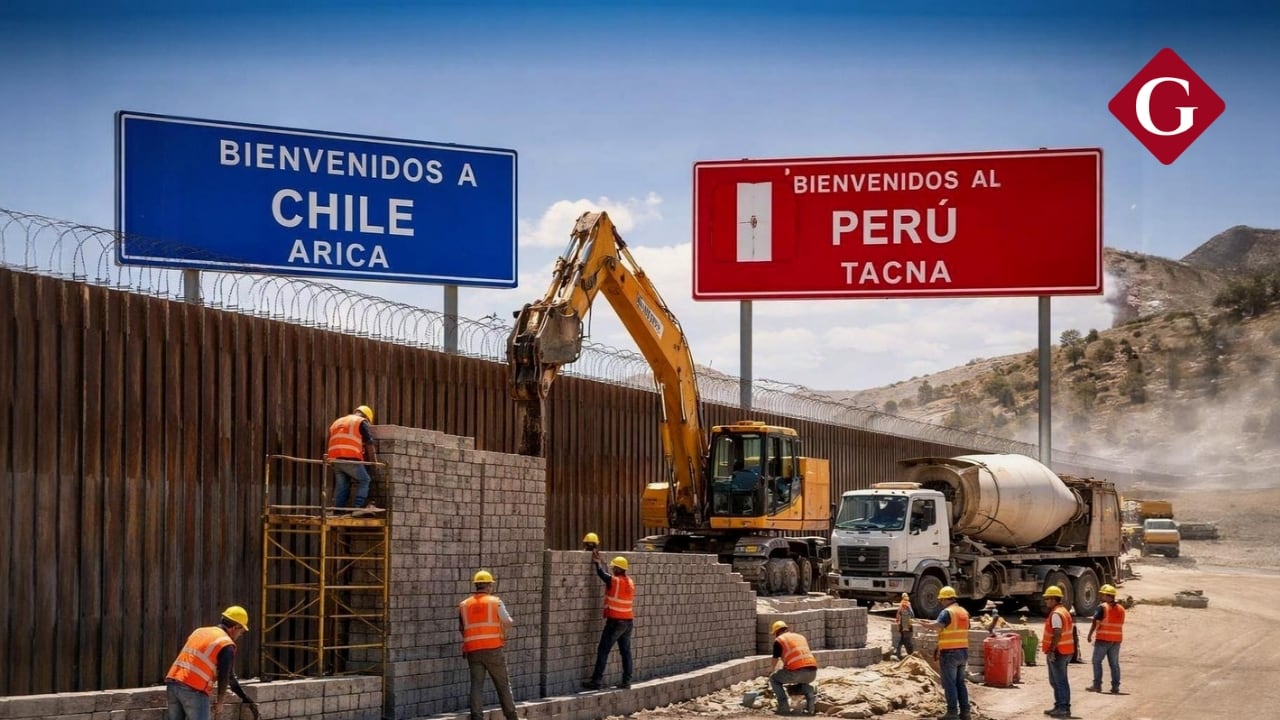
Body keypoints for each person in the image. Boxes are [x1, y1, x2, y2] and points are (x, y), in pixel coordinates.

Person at [165, 605, 259, 720]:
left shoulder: (199, 631)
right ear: (235, 627)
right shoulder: (226, 644)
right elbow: (225, 676)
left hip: (173, 683)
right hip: (194, 689)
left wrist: (244, 698)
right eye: (241, 631)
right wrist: (220, 702)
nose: (240, 635)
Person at [458, 570, 519, 720]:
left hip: (473, 650)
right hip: (493, 649)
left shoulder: (464, 605)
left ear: (476, 585)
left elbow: (462, 628)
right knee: (503, 685)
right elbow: (508, 622)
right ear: (489, 586)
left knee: (476, 685)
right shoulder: (495, 602)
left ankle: (477, 717)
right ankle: (511, 717)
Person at [916, 586, 971, 720]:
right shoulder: (963, 612)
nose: (940, 602)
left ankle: (952, 713)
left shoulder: (946, 612)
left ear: (947, 599)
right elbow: (956, 626)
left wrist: (926, 625)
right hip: (963, 651)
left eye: (941, 599)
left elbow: (939, 626)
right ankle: (965, 712)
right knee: (960, 683)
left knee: (949, 683)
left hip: (949, 653)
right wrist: (931, 623)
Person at [582, 551, 634, 690]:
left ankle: (596, 681)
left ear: (617, 569)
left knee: (603, 650)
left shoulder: (615, 581)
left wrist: (597, 563)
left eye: (613, 567)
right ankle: (627, 681)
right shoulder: (629, 582)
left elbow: (602, 575)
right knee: (626, 652)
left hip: (615, 622)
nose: (612, 569)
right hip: (628, 622)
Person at [325, 405, 380, 516]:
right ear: (367, 417)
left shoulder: (337, 422)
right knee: (365, 480)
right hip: (349, 458)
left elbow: (330, 439)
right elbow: (369, 443)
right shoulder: (361, 422)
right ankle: (357, 508)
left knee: (342, 485)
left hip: (335, 460)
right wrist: (374, 462)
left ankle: (337, 511)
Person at [768, 620, 818, 716]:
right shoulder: (800, 637)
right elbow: (794, 656)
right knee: (799, 682)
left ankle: (783, 707)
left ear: (777, 632)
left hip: (797, 672)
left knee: (774, 679)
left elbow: (775, 659)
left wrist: (772, 672)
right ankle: (810, 701)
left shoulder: (779, 640)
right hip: (812, 672)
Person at [1041, 585, 1075, 718]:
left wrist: (1051, 650)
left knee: (1059, 681)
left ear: (1054, 599)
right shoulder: (1063, 611)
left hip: (1058, 652)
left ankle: (1063, 708)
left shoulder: (1056, 614)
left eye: (1047, 599)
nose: (1046, 601)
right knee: (1057, 681)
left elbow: (1057, 633)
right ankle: (1059, 705)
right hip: (1066, 650)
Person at [1086, 583, 1126, 694]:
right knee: (1114, 664)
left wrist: (1090, 635)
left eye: (1103, 595)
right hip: (1116, 640)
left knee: (1096, 661)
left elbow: (1095, 623)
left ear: (1108, 596)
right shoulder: (1121, 609)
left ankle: (1097, 685)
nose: (1101, 597)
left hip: (1103, 639)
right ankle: (1115, 687)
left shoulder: (1102, 607)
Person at [892, 592, 915, 660]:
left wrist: (898, 624)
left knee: (902, 639)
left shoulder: (901, 605)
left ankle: (898, 653)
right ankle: (910, 654)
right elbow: (912, 615)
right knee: (906, 640)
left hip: (902, 626)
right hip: (907, 626)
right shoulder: (908, 605)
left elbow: (898, 615)